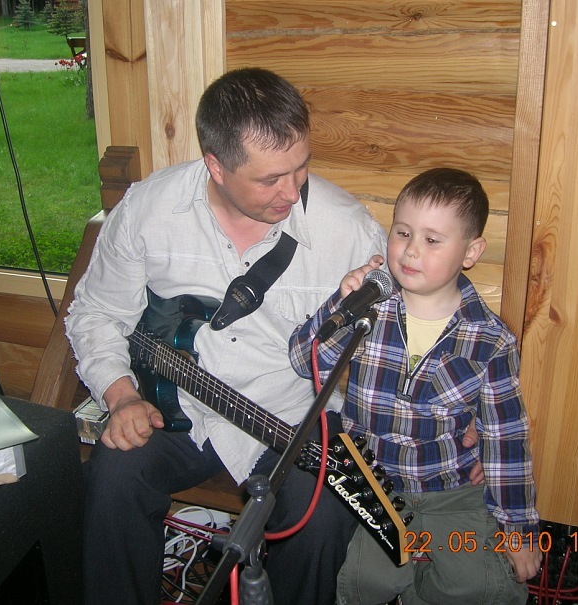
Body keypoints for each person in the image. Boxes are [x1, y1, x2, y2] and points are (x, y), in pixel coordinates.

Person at [65, 67, 390, 605]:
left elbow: (402, 337)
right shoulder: (149, 210)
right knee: (114, 477)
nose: (293, 191)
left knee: (323, 517)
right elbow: (97, 312)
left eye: (302, 167)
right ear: (215, 166)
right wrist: (121, 396)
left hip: (288, 420)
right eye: (270, 179)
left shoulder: (347, 229)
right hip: (181, 413)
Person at [288, 168, 541, 605]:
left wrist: (518, 528)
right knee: (365, 583)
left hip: (452, 488)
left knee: (477, 586)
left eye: (432, 240)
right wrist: (342, 304)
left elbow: (506, 437)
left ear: (471, 252)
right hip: (376, 485)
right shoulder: (370, 308)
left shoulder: (490, 340)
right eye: (402, 232)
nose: (410, 250)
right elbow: (302, 359)